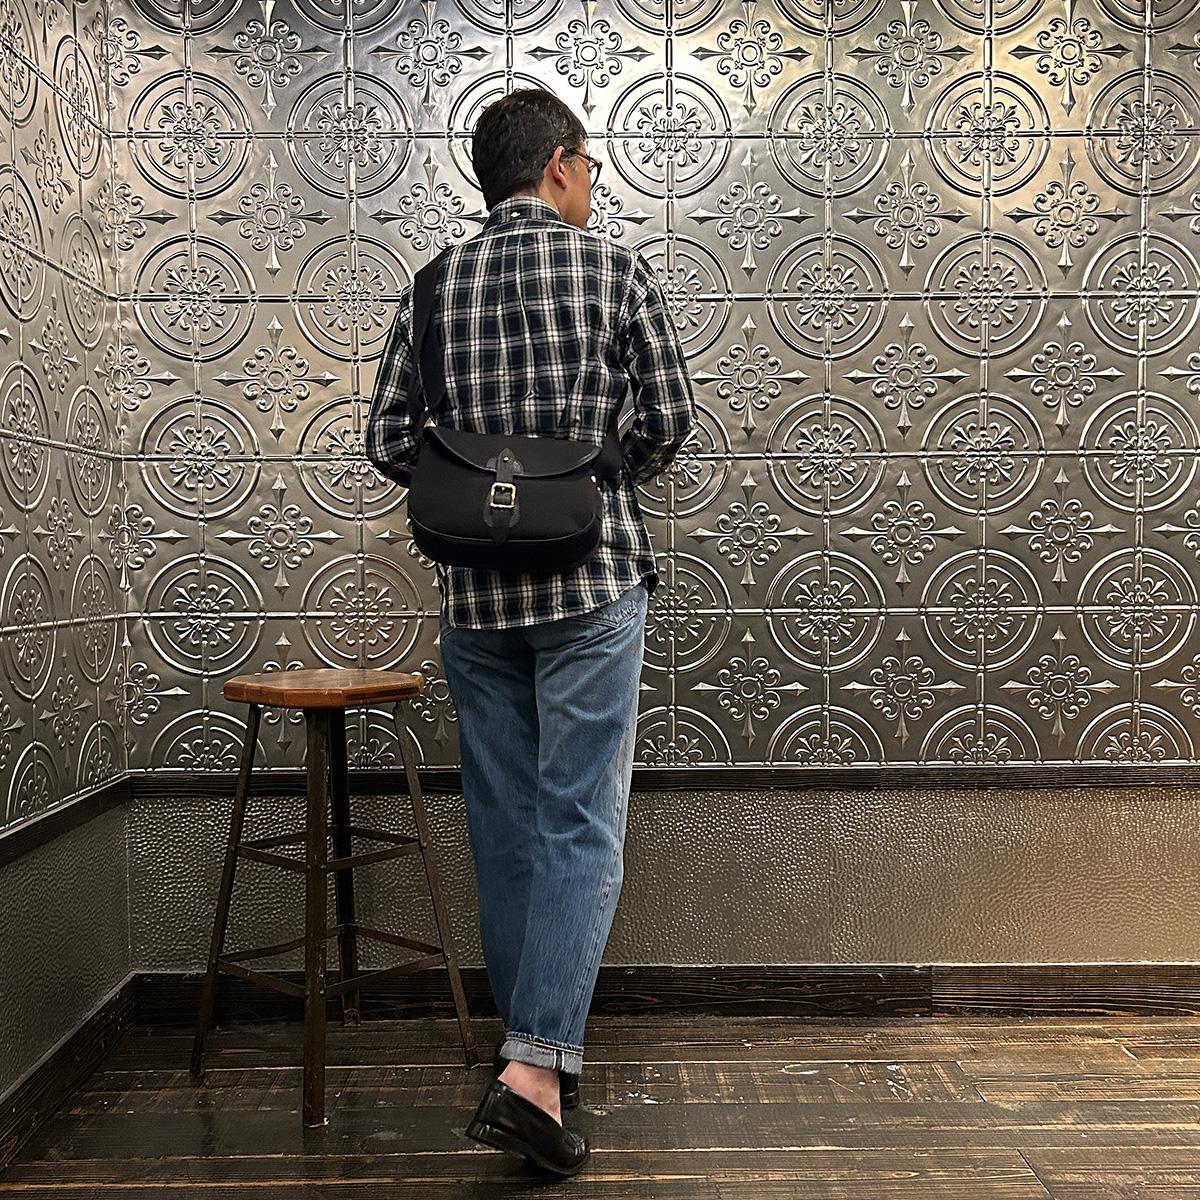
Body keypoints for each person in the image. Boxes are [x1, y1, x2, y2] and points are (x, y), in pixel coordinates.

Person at [365, 86, 695, 1177]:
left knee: (505, 828)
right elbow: (668, 419)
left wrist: (486, 493)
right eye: (589, 166)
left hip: (477, 598)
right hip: (591, 584)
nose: (592, 184)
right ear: (558, 165)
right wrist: (582, 479)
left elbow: (389, 438)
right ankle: (537, 1073)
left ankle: (530, 1056)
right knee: (580, 823)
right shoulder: (615, 271)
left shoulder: (433, 284)